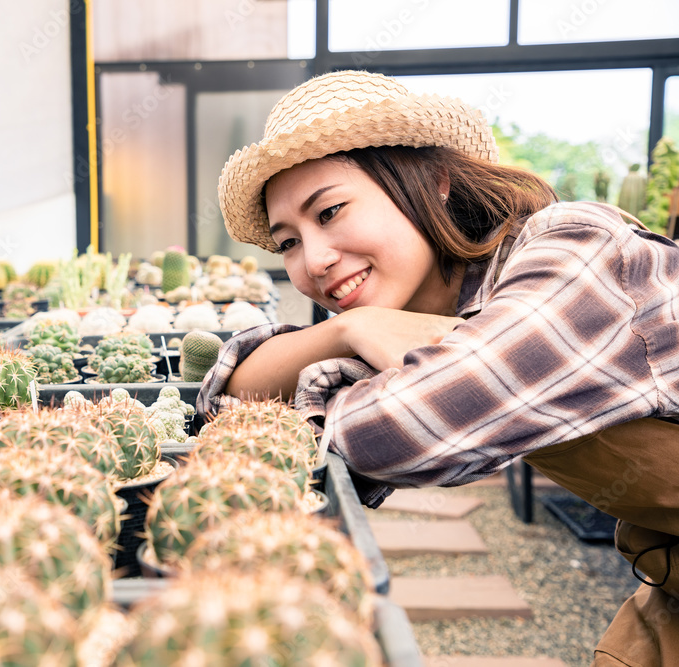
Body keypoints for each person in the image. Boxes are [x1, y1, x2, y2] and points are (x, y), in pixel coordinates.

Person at [197, 69, 679, 665]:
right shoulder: (416, 308)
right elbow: (230, 393)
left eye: (330, 212)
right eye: (288, 241)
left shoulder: (578, 250)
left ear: (438, 182)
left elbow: (407, 427)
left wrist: (322, 358)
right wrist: (347, 329)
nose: (314, 262)